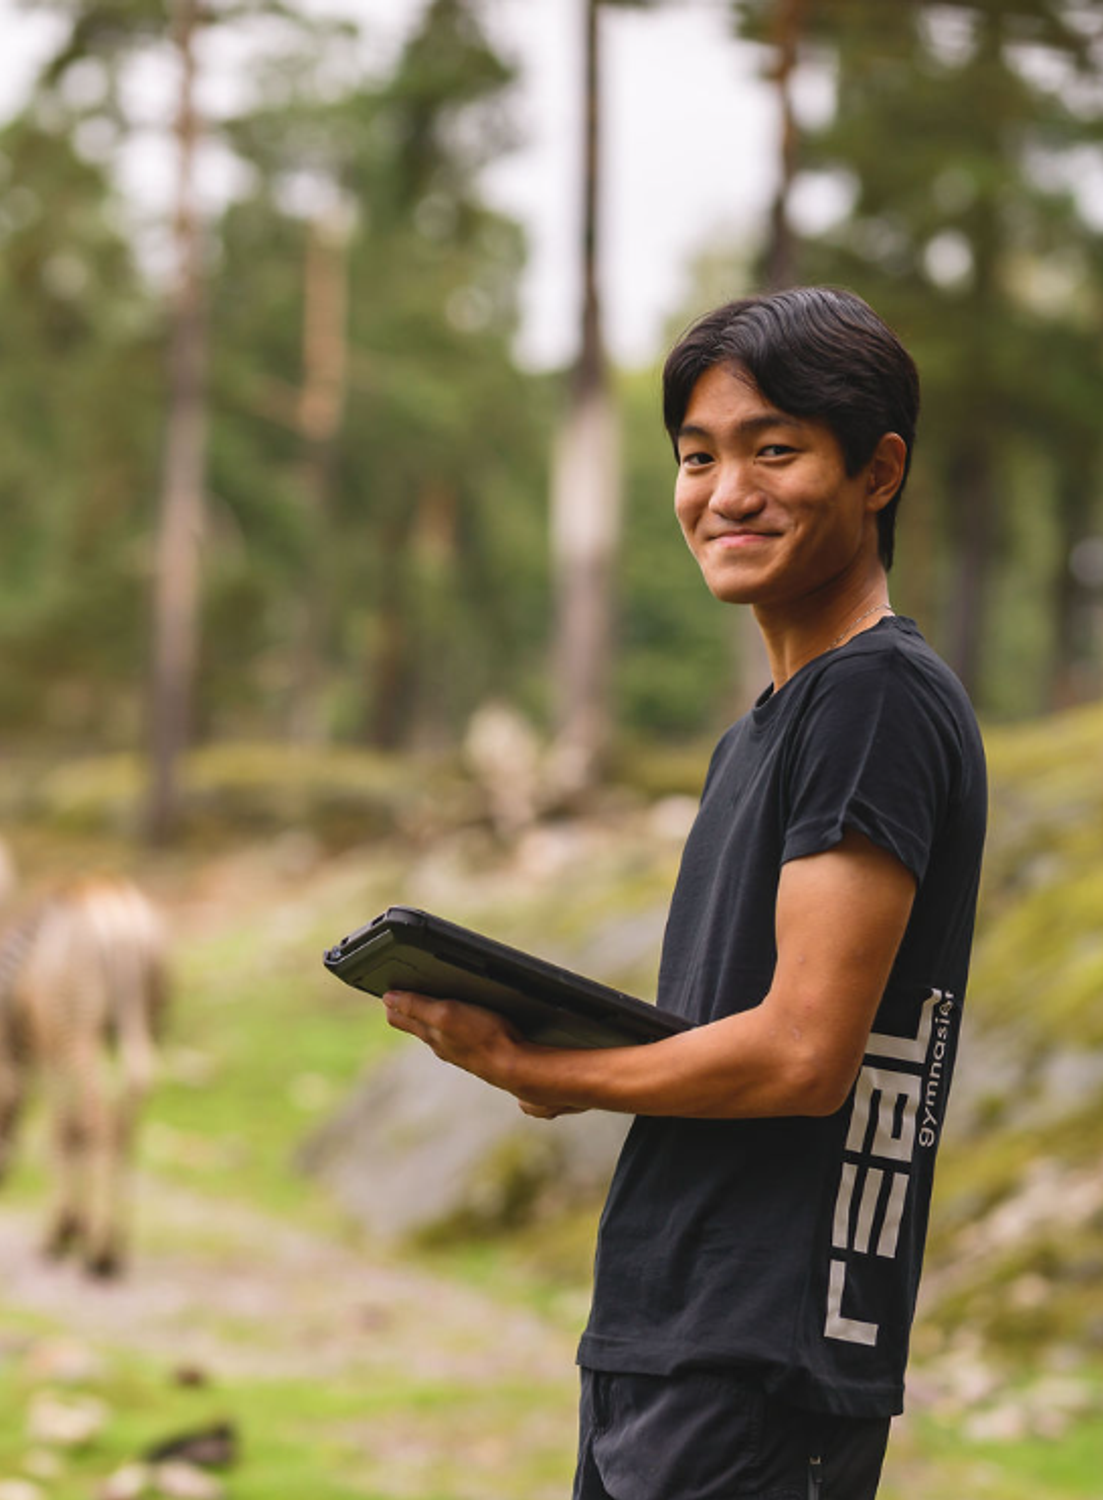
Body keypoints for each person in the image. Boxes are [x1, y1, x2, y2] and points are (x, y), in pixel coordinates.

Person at [383, 286, 986, 1500]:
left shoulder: (875, 702)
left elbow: (803, 1055)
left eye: (775, 451)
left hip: (760, 1360)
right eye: (697, 457)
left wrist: (542, 1073)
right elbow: (734, 1030)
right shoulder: (764, 733)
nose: (726, 493)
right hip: (672, 1338)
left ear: (878, 472)